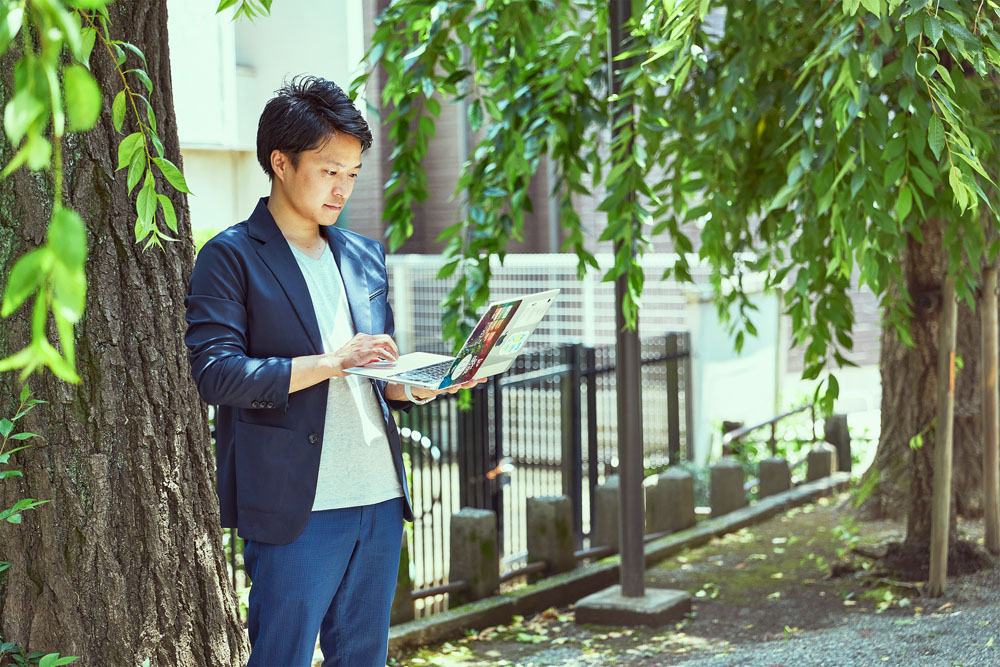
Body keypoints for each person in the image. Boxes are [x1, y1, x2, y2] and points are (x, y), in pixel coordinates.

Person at [184, 75, 480, 667]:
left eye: (352, 172)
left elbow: (376, 379)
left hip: (379, 498)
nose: (342, 187)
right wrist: (331, 362)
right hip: (298, 507)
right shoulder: (231, 255)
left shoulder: (363, 254)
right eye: (328, 170)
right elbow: (216, 374)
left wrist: (418, 385)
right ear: (280, 162)